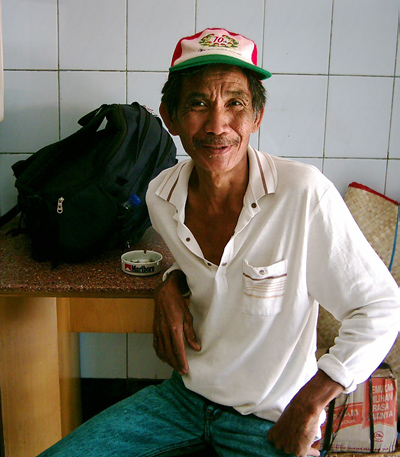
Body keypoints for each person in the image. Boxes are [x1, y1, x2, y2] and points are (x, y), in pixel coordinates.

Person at [38, 28, 399, 457]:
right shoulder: (160, 197)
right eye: (197, 104)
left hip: (270, 417)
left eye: (235, 104)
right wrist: (169, 281)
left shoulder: (303, 195)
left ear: (256, 118)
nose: (217, 125)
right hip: (183, 400)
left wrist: (310, 402)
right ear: (169, 116)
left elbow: (380, 308)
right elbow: (210, 270)